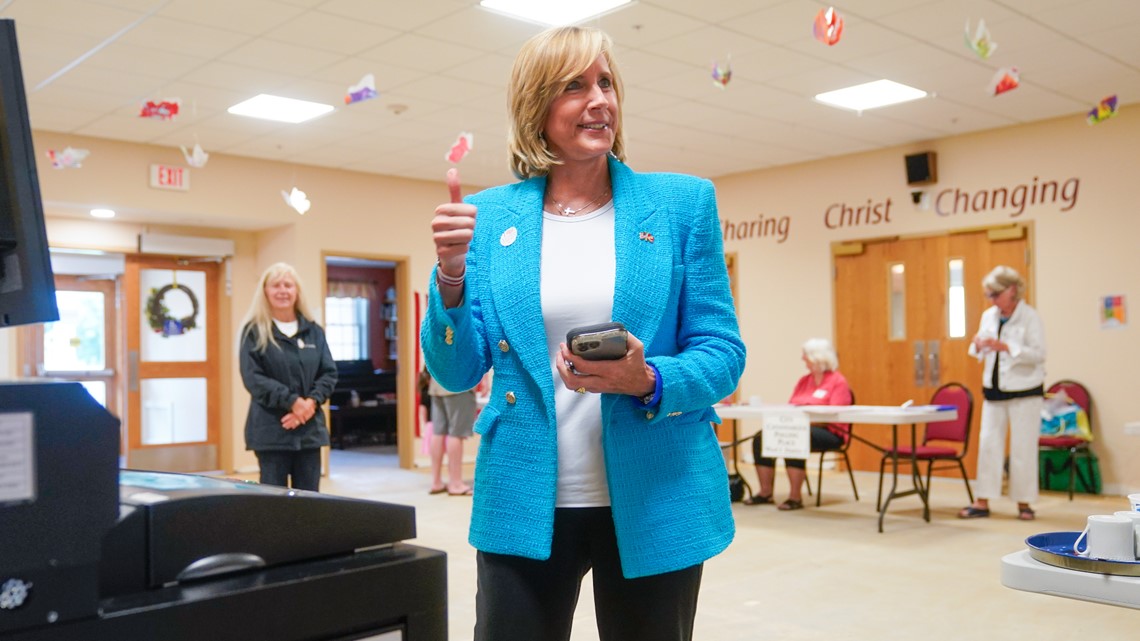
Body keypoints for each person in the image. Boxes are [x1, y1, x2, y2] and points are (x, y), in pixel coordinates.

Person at [421, 25, 746, 641]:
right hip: (524, 497)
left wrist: (648, 377)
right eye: (575, 86)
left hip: (656, 491)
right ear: (536, 108)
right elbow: (454, 371)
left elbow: (723, 354)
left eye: (606, 83)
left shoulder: (681, 205)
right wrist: (451, 275)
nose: (599, 100)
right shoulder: (490, 218)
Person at [239, 262, 337, 491]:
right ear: (265, 292)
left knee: (309, 502)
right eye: (275, 285)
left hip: (309, 432)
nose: (282, 290)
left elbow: (329, 373)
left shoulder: (314, 331)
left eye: (288, 285)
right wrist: (292, 402)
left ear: (297, 291)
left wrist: (309, 404)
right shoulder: (253, 332)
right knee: (274, 505)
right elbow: (253, 377)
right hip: (271, 431)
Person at [959, 265, 1045, 521]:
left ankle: (1024, 503)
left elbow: (1039, 355)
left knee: (1023, 447)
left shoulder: (1030, 317)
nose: (992, 301)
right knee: (988, 444)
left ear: (1012, 290)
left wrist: (1007, 346)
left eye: (995, 295)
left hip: (1025, 391)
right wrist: (978, 345)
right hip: (994, 391)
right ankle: (982, 500)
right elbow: (979, 350)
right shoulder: (989, 316)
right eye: (989, 296)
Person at [744, 338, 852, 510]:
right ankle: (765, 492)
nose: (803, 360)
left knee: (794, 436)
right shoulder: (804, 381)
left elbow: (836, 414)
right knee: (760, 438)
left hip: (830, 432)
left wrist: (804, 421)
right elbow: (791, 405)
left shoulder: (838, 381)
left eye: (806, 356)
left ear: (818, 357)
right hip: (801, 427)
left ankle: (795, 497)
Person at [426, 371, 476, 496]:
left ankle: (436, 482)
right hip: (458, 385)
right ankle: (456, 483)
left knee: (438, 432)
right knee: (456, 434)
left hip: (437, 383)